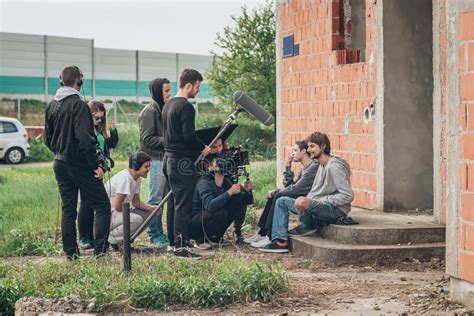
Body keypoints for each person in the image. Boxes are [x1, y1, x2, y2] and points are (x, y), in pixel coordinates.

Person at [44, 65, 110, 259]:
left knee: (68, 209)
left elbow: (47, 139)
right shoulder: (79, 105)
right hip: (79, 164)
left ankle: (71, 254)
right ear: (78, 81)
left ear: (61, 80)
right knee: (102, 205)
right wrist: (96, 166)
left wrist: (59, 152)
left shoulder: (51, 106)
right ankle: (100, 252)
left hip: (60, 163)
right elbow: (85, 140)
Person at [260, 132, 354, 253]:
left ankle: (307, 226)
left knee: (302, 201)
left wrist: (318, 201)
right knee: (282, 201)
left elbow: (347, 196)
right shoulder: (321, 165)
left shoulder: (335, 167)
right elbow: (308, 191)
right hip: (319, 206)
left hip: (335, 210)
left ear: (323, 146)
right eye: (309, 147)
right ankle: (280, 241)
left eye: (312, 146)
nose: (309, 150)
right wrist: (312, 200)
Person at [162, 69, 211, 258]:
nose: (198, 91)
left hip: (168, 159)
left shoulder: (168, 105)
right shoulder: (186, 107)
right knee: (183, 204)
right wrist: (203, 147)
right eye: (197, 87)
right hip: (181, 161)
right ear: (189, 85)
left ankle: (174, 242)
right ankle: (181, 247)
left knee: (174, 202)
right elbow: (189, 136)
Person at [244, 140, 318, 248]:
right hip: (300, 197)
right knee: (276, 195)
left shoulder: (313, 167)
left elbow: (296, 188)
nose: (293, 153)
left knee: (278, 195)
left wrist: (276, 191)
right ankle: (262, 233)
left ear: (303, 151)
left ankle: (269, 236)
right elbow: (290, 185)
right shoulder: (305, 168)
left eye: (295, 150)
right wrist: (288, 166)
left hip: (306, 202)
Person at [188, 154, 254, 249]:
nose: (223, 165)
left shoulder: (226, 182)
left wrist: (248, 191)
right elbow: (210, 206)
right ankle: (201, 239)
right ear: (210, 167)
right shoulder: (204, 183)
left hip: (214, 218)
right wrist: (229, 192)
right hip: (196, 225)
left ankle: (229, 234)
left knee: (239, 199)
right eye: (219, 163)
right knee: (220, 211)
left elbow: (247, 201)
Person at [78, 100, 119, 250]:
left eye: (102, 118)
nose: (99, 121)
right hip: (89, 169)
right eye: (96, 117)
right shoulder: (86, 130)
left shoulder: (100, 130)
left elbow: (111, 144)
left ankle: (94, 237)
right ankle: (84, 237)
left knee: (94, 204)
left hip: (100, 170)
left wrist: (113, 131)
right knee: (87, 203)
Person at [138, 78, 172, 248]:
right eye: (166, 91)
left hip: (166, 158)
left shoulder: (164, 109)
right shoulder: (149, 111)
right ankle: (154, 234)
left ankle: (160, 232)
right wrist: (170, 140)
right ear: (157, 92)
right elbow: (147, 139)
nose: (169, 93)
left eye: (169, 90)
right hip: (156, 160)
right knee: (155, 199)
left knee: (164, 199)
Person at [106, 152, 161, 247]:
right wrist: (133, 213)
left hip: (117, 213)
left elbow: (136, 202)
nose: (149, 169)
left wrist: (152, 208)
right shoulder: (125, 178)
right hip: (108, 216)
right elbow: (118, 207)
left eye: (149, 166)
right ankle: (111, 238)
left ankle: (124, 240)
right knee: (136, 219)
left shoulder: (137, 178)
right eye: (146, 166)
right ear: (136, 166)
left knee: (152, 214)